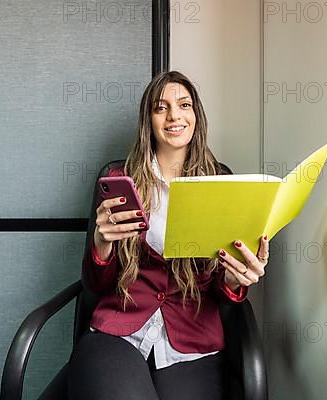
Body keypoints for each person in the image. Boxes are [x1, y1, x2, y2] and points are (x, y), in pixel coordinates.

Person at [66, 70, 270, 400]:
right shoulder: (121, 179)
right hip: (118, 333)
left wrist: (237, 279)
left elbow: (223, 288)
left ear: (196, 116)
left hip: (192, 343)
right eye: (161, 108)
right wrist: (101, 245)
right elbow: (96, 286)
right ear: (148, 120)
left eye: (184, 105)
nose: (174, 115)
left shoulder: (221, 184)